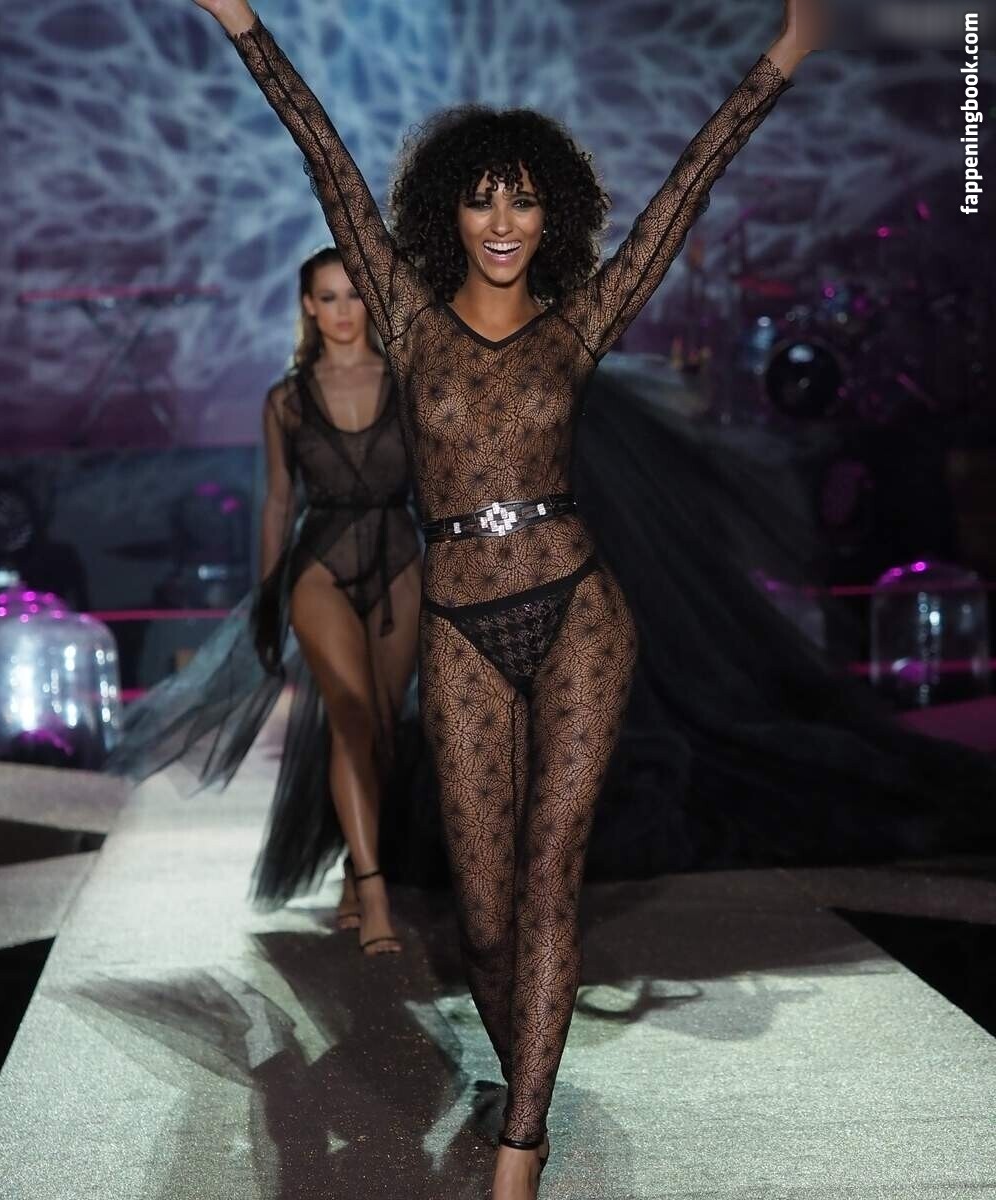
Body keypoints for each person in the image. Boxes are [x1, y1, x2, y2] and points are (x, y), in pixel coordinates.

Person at [189, 1, 821, 1194]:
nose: (500, 222)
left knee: (547, 879)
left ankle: (519, 1148)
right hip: (461, 629)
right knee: (481, 920)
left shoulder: (580, 325)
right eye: (480, 199)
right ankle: (525, 1073)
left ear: (552, 216)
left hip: (579, 614)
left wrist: (782, 57)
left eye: (523, 201)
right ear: (449, 211)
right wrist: (244, 24)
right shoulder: (408, 323)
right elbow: (326, 161)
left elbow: (683, 192)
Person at [108, 246, 421, 956]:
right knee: (349, 714)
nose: (343, 310)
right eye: (328, 297)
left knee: (383, 729)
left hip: (400, 559)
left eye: (353, 294)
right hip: (318, 567)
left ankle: (356, 864)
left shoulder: (407, 383)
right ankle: (375, 892)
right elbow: (278, 503)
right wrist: (267, 597)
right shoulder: (286, 400)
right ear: (308, 307)